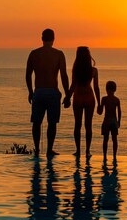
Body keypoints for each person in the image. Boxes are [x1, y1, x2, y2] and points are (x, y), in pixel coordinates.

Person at [26, 29, 69, 157]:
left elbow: (28, 75)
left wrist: (30, 91)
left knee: (36, 123)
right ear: (53, 39)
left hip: (38, 91)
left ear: (42, 38)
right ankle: (49, 149)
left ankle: (37, 149)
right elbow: (63, 75)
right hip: (52, 92)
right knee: (52, 123)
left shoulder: (34, 54)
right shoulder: (59, 54)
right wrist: (67, 94)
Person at [64, 47, 100, 158]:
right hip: (89, 97)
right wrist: (99, 103)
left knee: (77, 125)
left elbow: (73, 85)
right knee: (88, 125)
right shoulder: (93, 70)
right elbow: (96, 87)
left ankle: (78, 150)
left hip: (78, 97)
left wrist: (67, 98)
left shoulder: (76, 70)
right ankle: (88, 151)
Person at [98, 80, 121, 160]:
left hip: (108, 121)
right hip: (113, 121)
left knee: (107, 139)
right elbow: (119, 112)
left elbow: (100, 111)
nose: (109, 92)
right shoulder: (116, 99)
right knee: (112, 139)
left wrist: (119, 121)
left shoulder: (104, 99)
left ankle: (106, 156)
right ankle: (112, 156)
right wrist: (118, 121)